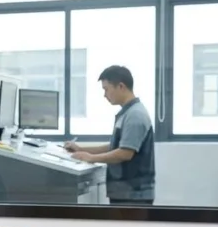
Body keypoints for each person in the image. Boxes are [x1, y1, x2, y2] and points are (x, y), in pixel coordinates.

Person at [64, 65, 155, 205]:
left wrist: (91, 158)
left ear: (121, 86)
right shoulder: (127, 113)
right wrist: (81, 149)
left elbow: (125, 153)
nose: (105, 95)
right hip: (125, 192)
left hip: (134, 195)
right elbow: (115, 146)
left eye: (106, 89)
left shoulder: (135, 115)